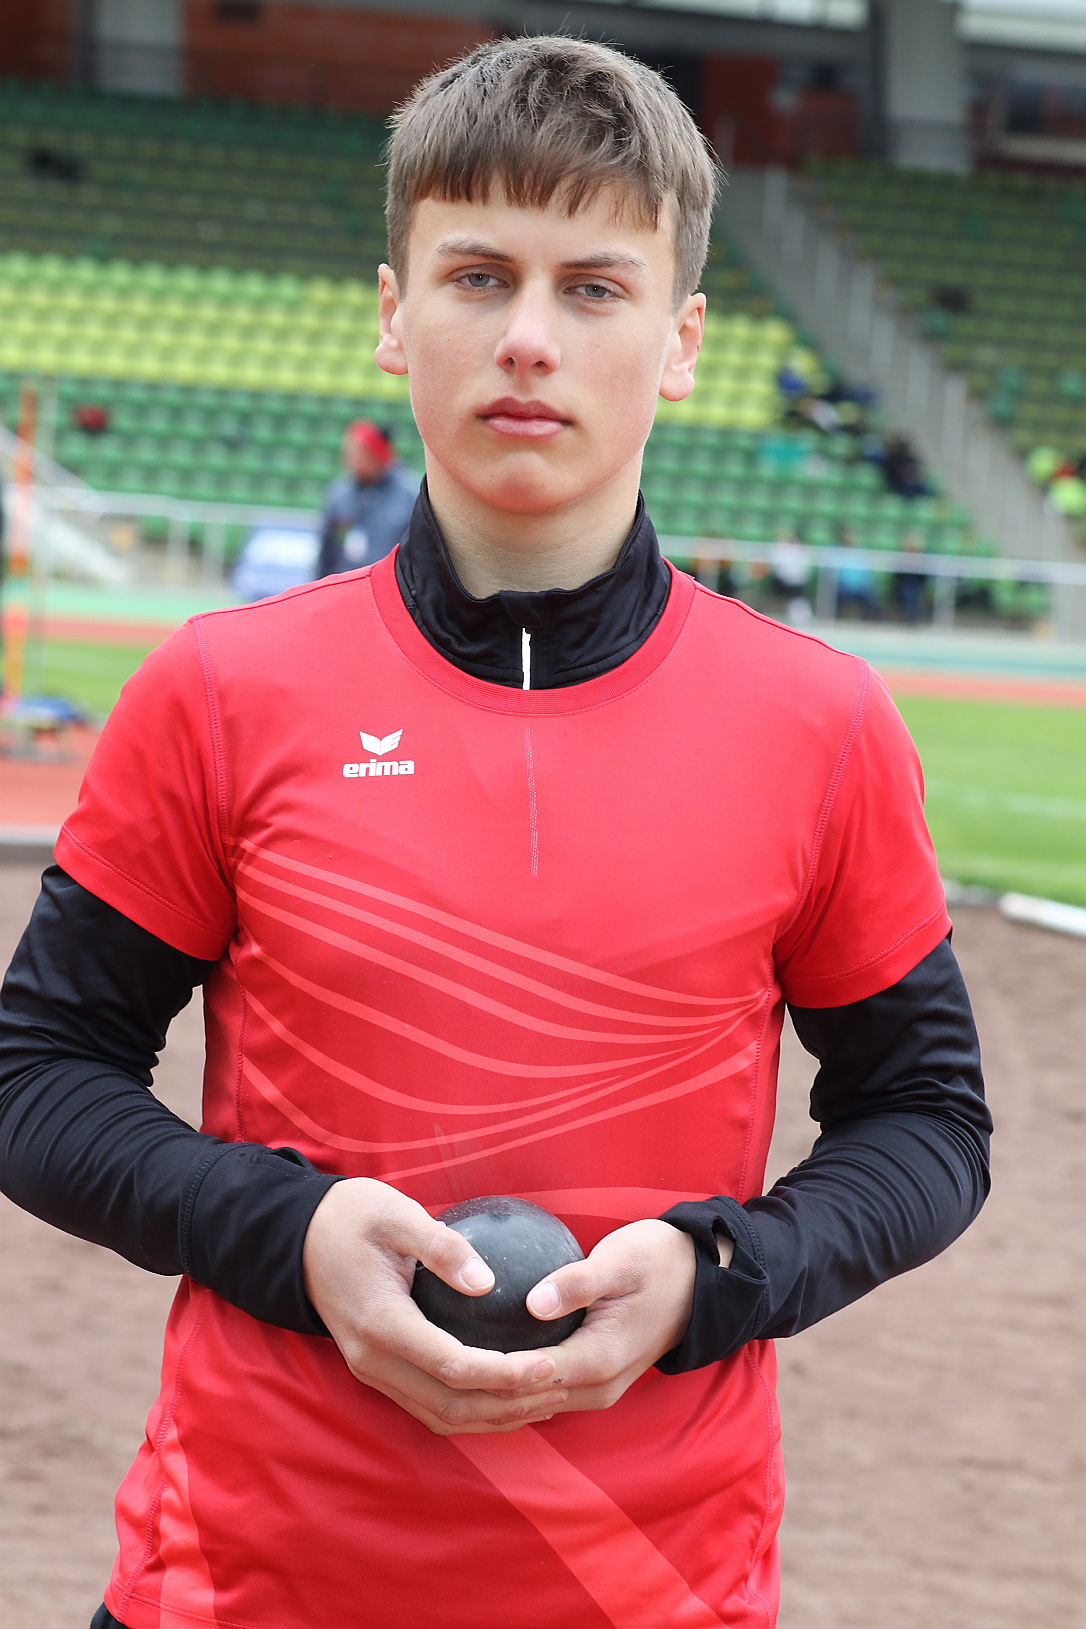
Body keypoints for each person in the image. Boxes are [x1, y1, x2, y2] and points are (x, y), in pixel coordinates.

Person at [0, 36, 989, 1629]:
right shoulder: (220, 692)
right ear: (395, 314)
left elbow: (927, 1120)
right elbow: (37, 1077)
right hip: (240, 1582)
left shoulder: (819, 725)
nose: (528, 337)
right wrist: (290, 1231)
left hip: (653, 1589)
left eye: (593, 288)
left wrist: (718, 1274)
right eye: (477, 276)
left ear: (679, 342)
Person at [315, 417, 419, 576]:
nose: (351, 459)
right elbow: (327, 550)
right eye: (348, 453)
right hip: (345, 583)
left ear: (376, 454)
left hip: (390, 584)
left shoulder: (408, 495)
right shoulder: (339, 495)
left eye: (358, 453)